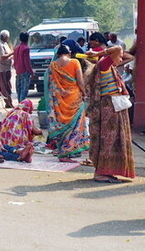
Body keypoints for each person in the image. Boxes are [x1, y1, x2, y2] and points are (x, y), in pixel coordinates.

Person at [84, 33, 135, 183]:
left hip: (112, 107)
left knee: (113, 140)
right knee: (109, 140)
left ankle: (108, 171)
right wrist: (99, 53)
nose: (120, 59)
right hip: (109, 108)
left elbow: (123, 53)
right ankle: (101, 173)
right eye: (118, 58)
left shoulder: (107, 67)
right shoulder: (104, 65)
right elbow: (118, 49)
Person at [46, 44, 90, 162]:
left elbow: (51, 84)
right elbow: (80, 81)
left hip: (59, 100)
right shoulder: (75, 62)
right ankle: (68, 151)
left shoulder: (53, 65)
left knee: (63, 125)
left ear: (58, 55)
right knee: (75, 125)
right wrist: (84, 93)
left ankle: (63, 150)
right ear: (69, 54)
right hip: (74, 97)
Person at [0, 30, 14, 108]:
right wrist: (12, 53)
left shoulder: (5, 44)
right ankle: (8, 103)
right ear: (5, 37)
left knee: (0, 86)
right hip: (2, 69)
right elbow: (2, 57)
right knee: (4, 87)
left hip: (7, 68)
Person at [13, 32, 34, 103]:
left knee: (19, 89)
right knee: (24, 90)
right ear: (27, 39)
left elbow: (15, 61)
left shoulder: (16, 48)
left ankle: (19, 103)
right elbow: (27, 62)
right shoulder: (26, 49)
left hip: (18, 71)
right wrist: (31, 72)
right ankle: (22, 105)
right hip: (25, 71)